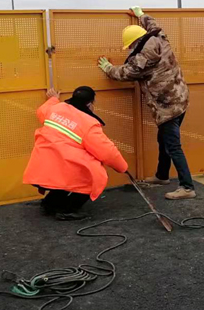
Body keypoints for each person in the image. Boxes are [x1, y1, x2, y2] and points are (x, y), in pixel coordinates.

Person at [97, 7, 195, 200]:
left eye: (131, 46)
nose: (131, 49)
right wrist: (141, 15)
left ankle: (187, 187)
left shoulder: (143, 59)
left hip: (167, 107)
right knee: (163, 139)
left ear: (136, 43)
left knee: (173, 146)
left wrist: (108, 68)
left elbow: (125, 73)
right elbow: (154, 25)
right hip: (180, 98)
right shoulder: (160, 39)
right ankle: (162, 175)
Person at [24, 86, 129, 218]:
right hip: (64, 168)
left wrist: (53, 99)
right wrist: (122, 167)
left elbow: (42, 110)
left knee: (64, 176)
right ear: (90, 104)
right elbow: (108, 152)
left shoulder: (55, 109)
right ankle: (68, 210)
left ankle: (50, 204)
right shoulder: (88, 124)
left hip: (43, 165)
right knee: (93, 174)